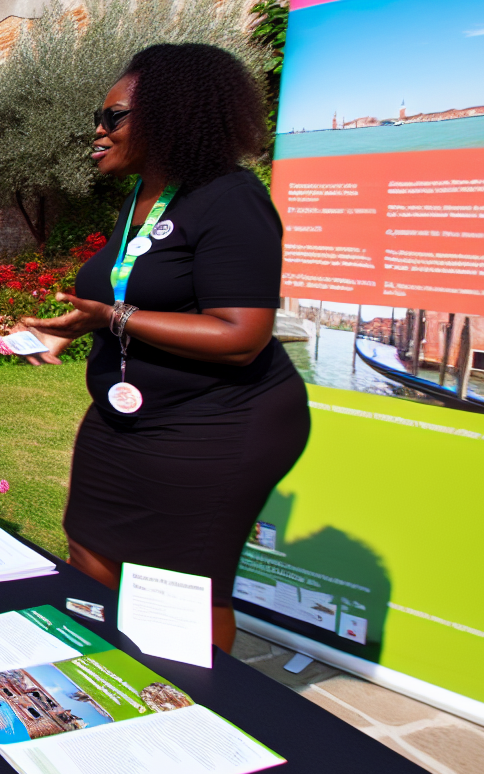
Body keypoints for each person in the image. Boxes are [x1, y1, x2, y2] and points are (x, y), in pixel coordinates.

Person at [16, 43, 309, 654]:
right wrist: (75, 328)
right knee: (89, 550)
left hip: (218, 423)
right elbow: (146, 300)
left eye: (114, 117)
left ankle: (202, 718)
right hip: (127, 419)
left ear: (171, 116)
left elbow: (240, 335)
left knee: (182, 588)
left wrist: (117, 315)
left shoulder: (232, 199)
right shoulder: (143, 198)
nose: (98, 131)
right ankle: (104, 674)